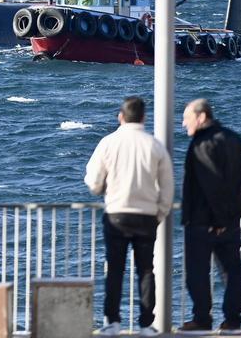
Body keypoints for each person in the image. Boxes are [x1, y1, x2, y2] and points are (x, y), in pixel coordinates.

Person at [83, 96, 172, 336]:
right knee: (146, 271)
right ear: (143, 117)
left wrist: (102, 189)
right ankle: (146, 324)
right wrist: (159, 213)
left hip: (117, 215)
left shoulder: (108, 142)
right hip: (146, 217)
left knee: (115, 270)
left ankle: (113, 322)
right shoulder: (154, 145)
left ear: (120, 117)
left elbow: (93, 181)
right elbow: (167, 188)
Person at [179, 99, 241, 333]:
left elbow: (211, 184)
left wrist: (217, 219)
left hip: (204, 221)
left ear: (201, 117)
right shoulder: (234, 138)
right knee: (233, 271)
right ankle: (233, 320)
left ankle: (202, 318)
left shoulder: (202, 144)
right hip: (231, 219)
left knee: (197, 273)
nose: (183, 123)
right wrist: (230, 213)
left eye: (187, 118)